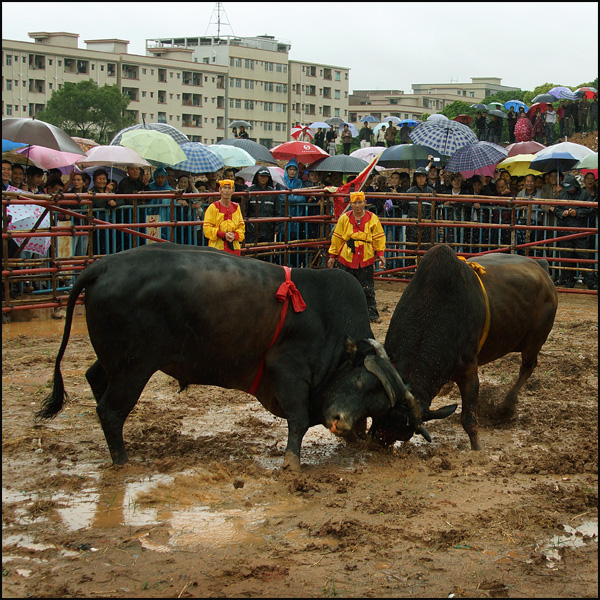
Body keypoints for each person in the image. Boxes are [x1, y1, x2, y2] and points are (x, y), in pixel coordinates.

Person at [327, 191, 386, 323]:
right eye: (354, 203)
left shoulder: (373, 218)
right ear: (351, 204)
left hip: (366, 257)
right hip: (346, 256)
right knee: (344, 286)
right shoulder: (344, 218)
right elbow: (336, 237)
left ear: (365, 203)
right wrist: (332, 255)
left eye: (360, 202)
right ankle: (343, 313)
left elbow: (378, 236)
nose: (357, 205)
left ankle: (372, 314)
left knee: (367, 287)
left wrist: (380, 254)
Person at [550, 174, 596, 289]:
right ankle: (568, 281)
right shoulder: (563, 195)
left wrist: (577, 212)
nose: (569, 190)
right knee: (566, 256)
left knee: (584, 257)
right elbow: (556, 209)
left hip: (580, 231)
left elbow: (590, 209)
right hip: (565, 230)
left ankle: (591, 282)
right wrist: (563, 213)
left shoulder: (584, 194)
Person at [245, 166, 281, 258]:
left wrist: (277, 226)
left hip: (267, 229)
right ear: (257, 177)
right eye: (261, 176)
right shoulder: (249, 191)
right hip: (251, 229)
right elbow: (244, 210)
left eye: (266, 176)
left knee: (266, 255)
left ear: (269, 178)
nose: (263, 178)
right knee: (251, 254)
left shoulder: (273, 193)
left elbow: (277, 211)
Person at [203, 179, 245, 255]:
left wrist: (234, 235)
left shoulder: (236, 207)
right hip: (217, 248)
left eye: (229, 188)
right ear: (220, 190)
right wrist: (223, 234)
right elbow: (207, 228)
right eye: (224, 188)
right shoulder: (213, 207)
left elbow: (241, 227)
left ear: (233, 191)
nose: (227, 191)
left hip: (234, 248)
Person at [402, 167, 435, 249]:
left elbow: (434, 209)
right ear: (415, 178)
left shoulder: (431, 192)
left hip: (426, 227)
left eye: (423, 176)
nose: (421, 179)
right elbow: (404, 206)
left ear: (426, 178)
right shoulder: (409, 192)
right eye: (419, 177)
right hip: (412, 227)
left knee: (426, 252)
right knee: (410, 251)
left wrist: (426, 223)